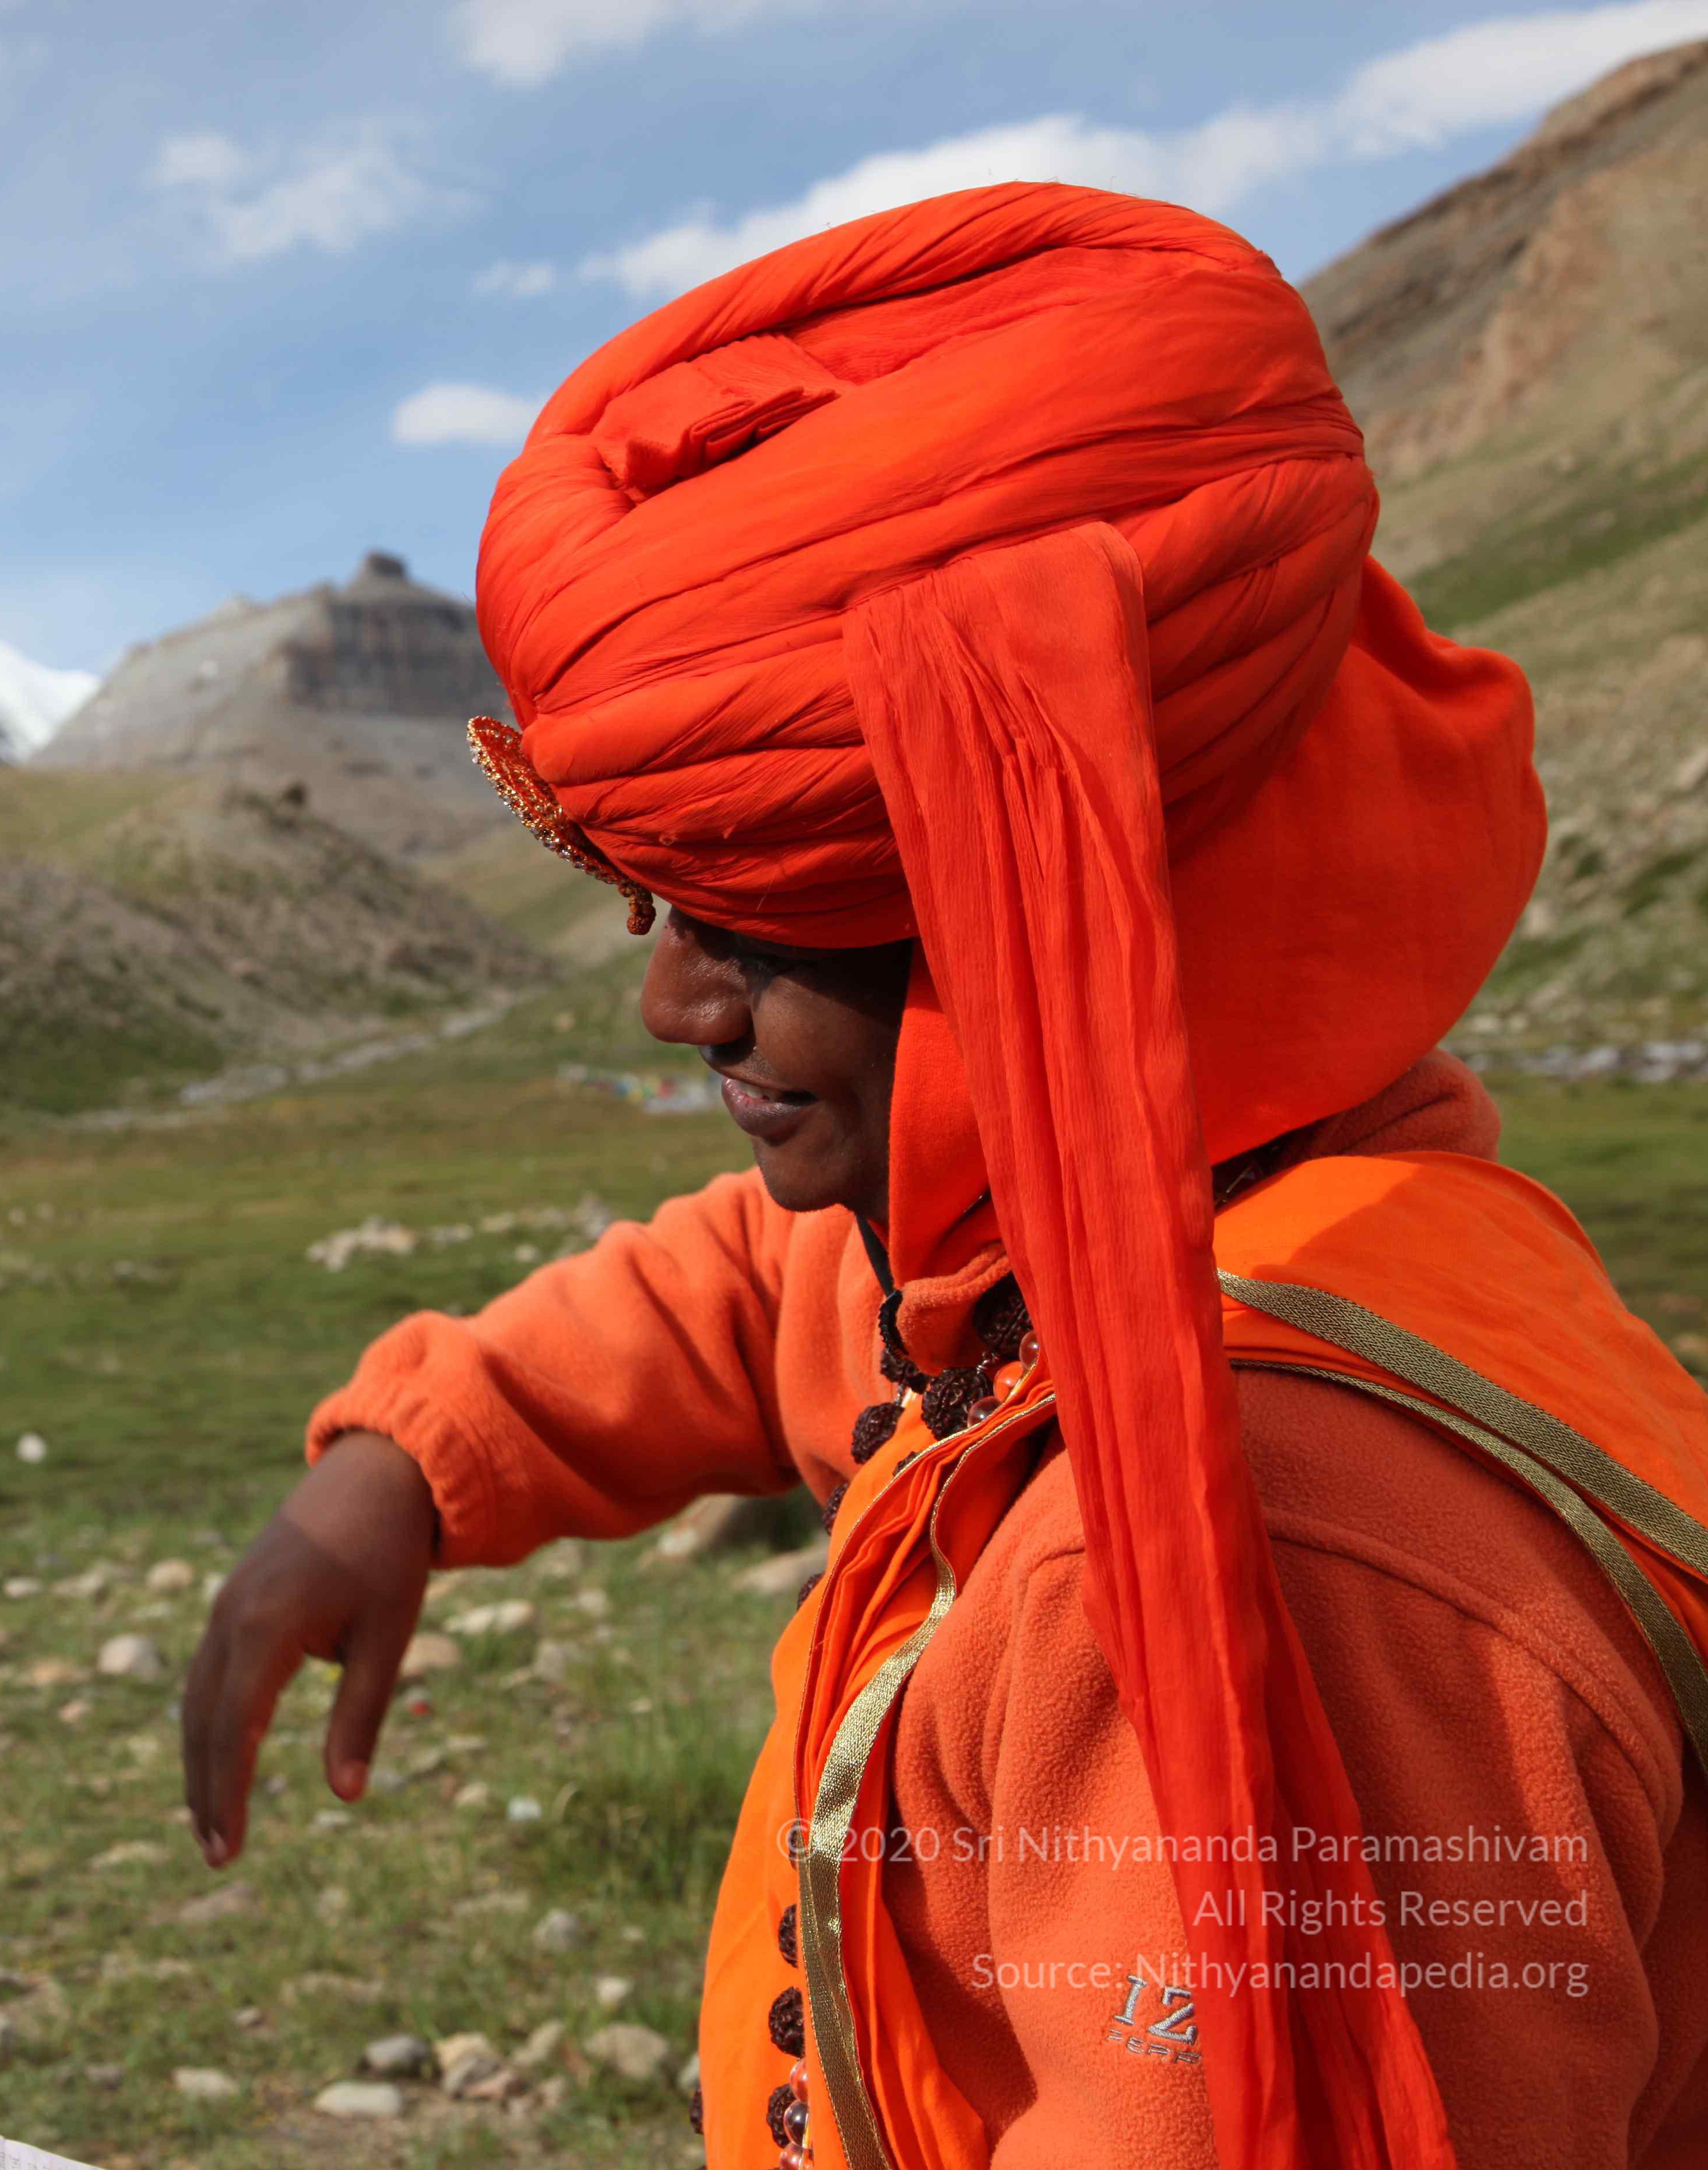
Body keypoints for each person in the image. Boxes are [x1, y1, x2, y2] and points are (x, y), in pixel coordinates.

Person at [183, 184, 1708, 2169]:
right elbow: (758, 1286)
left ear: (1055, 893)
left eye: (750, 912)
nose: (672, 1003)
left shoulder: (1265, 1549)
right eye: (653, 901)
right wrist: (410, 1455)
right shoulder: (1124, 1222)